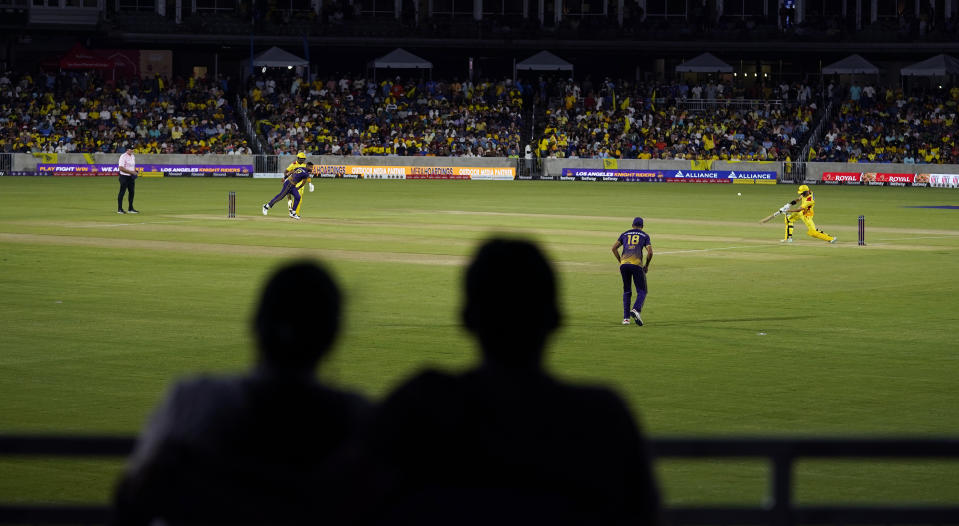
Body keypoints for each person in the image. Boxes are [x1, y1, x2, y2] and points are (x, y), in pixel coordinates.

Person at [359, 239, 661, 525]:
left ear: (466, 317)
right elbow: (643, 513)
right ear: (556, 318)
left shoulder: (421, 403)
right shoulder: (603, 415)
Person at [111, 260, 370, 526]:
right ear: (333, 336)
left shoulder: (195, 401)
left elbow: (132, 501)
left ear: (255, 324)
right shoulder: (359, 418)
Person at [612, 217, 653, 326]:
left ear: (632, 225)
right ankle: (636, 309)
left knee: (627, 291)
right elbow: (650, 253)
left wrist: (620, 261)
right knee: (642, 291)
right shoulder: (644, 235)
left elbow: (614, 248)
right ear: (642, 226)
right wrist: (647, 265)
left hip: (624, 265)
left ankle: (626, 319)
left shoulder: (625, 234)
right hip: (636, 265)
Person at [284, 152, 313, 216]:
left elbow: (307, 176)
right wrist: (285, 178)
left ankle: (295, 212)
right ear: (298, 158)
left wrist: (310, 183)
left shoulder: (305, 165)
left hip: (300, 185)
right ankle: (291, 211)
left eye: (303, 159)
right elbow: (286, 171)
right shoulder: (293, 164)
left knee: (299, 199)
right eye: (301, 158)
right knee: (289, 198)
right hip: (291, 183)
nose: (302, 160)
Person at [117, 149, 139, 214]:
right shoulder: (123, 156)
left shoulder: (133, 156)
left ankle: (130, 208)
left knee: (132, 192)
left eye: (133, 149)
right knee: (122, 192)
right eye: (130, 149)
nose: (132, 150)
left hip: (131, 177)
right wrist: (131, 172)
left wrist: (135, 171)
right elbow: (121, 168)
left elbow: (132, 166)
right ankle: (120, 209)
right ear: (127, 150)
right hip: (124, 176)